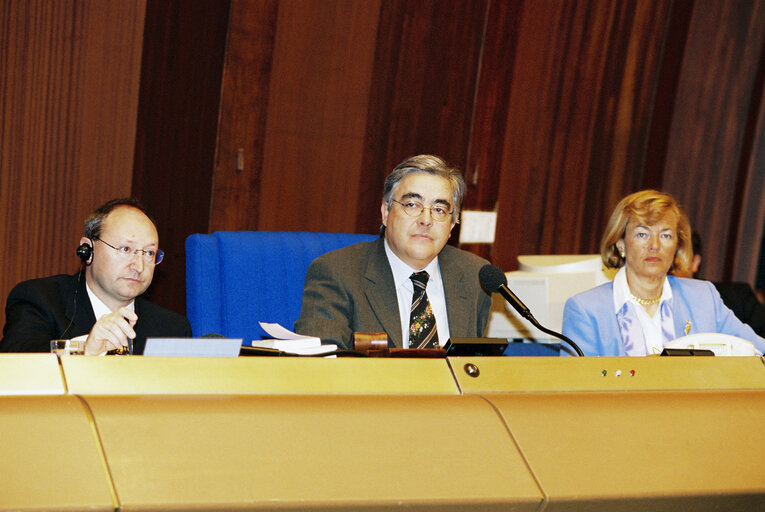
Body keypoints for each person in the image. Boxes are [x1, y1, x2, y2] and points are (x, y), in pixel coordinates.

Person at [294, 154, 492, 349]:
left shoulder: (475, 275)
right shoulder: (337, 272)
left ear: (451, 225)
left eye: (439, 209)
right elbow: (321, 369)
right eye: (412, 205)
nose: (426, 219)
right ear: (386, 213)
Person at [561, 190, 765, 356]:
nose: (654, 245)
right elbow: (577, 389)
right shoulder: (586, 309)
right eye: (642, 234)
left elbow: (758, 351)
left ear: (676, 246)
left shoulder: (703, 297)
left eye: (666, 235)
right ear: (621, 243)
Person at [0, 198, 191, 355]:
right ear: (88, 250)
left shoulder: (172, 328)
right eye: (126, 249)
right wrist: (84, 351)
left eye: (149, 253)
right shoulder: (40, 300)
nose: (139, 266)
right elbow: (15, 366)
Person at [672, 231, 765, 338]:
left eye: (676, 261)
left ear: (695, 262)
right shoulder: (656, 304)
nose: (669, 269)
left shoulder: (738, 296)